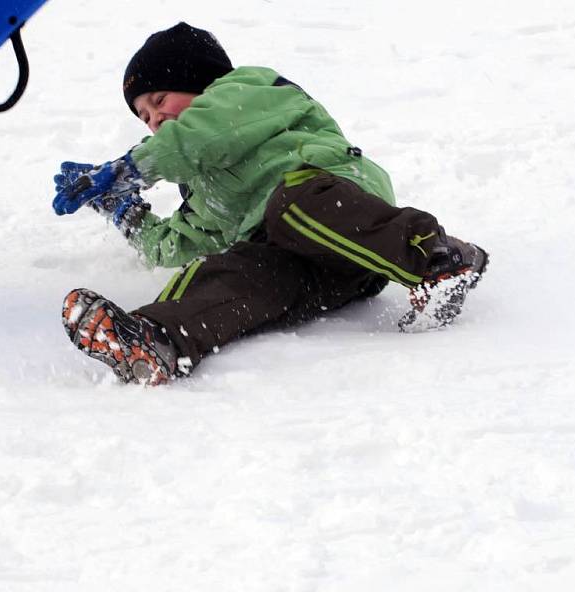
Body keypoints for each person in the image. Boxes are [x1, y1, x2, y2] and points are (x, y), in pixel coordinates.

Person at [52, 22, 488, 386]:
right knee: (240, 269)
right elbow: (173, 244)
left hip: (345, 213)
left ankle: (437, 259)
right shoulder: (204, 190)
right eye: (144, 118)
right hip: (329, 275)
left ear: (198, 80)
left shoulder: (247, 91)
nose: (155, 120)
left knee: (290, 207)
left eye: (159, 100)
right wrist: (121, 211)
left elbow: (201, 135)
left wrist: (129, 169)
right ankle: (159, 339)